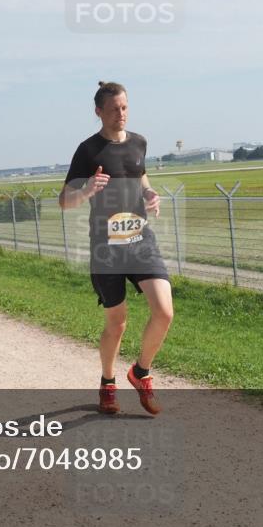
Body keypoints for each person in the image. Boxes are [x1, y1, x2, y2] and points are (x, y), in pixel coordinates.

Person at [59, 81, 174, 416]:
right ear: (99, 112)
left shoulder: (139, 142)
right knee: (117, 323)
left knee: (164, 311)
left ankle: (140, 373)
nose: (120, 114)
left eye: (124, 107)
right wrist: (87, 191)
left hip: (140, 241)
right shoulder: (88, 151)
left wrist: (149, 193)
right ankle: (108, 382)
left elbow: (141, 176)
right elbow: (64, 200)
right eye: (113, 109)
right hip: (106, 248)